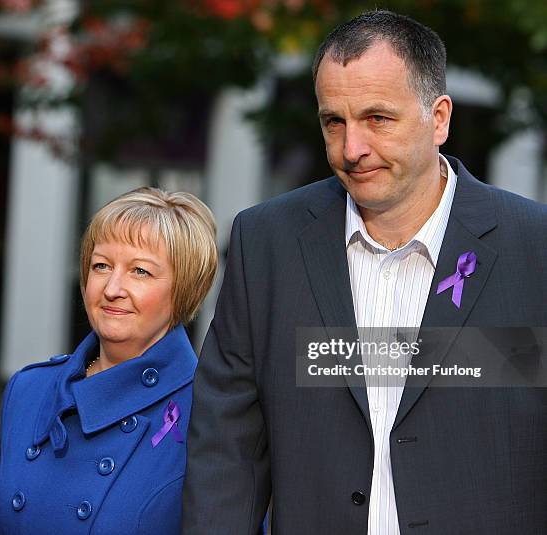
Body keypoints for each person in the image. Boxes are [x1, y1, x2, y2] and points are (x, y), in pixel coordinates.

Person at [183, 10, 547, 535]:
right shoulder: (266, 245)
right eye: (335, 122)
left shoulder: (532, 249)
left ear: (439, 118)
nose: (352, 149)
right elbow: (226, 448)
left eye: (378, 118)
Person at [0, 187, 217, 534]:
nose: (112, 288)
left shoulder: (212, 410)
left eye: (140, 271)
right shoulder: (28, 389)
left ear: (184, 288)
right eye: (101, 265)